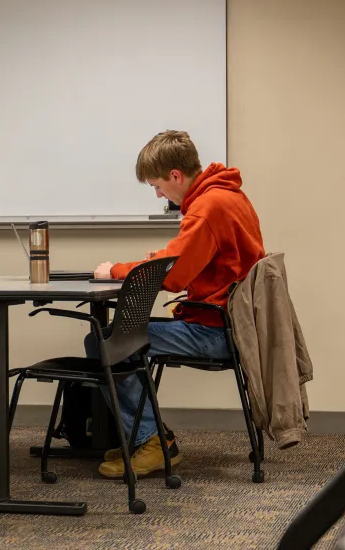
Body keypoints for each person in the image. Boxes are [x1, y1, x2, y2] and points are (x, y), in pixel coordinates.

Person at [89, 130, 265, 479]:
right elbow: (197, 257)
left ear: (175, 176)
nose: (158, 193)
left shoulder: (207, 207)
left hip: (215, 332)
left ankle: (152, 441)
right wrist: (164, 257)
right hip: (234, 325)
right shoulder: (230, 196)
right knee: (121, 338)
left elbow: (172, 278)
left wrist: (116, 270)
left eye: (157, 185)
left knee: (107, 342)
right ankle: (144, 435)